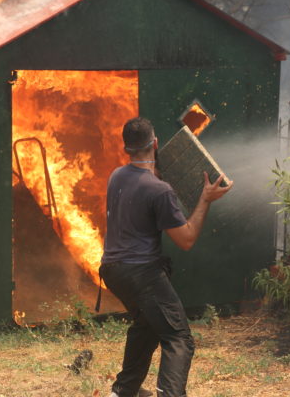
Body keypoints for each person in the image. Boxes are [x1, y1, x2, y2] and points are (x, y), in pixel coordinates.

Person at [100, 117, 233, 397]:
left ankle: (123, 392)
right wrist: (205, 200)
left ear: (127, 148)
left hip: (112, 271)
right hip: (143, 274)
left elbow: (144, 185)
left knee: (147, 325)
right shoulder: (160, 191)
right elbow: (185, 239)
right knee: (179, 339)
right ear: (156, 144)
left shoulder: (116, 176)